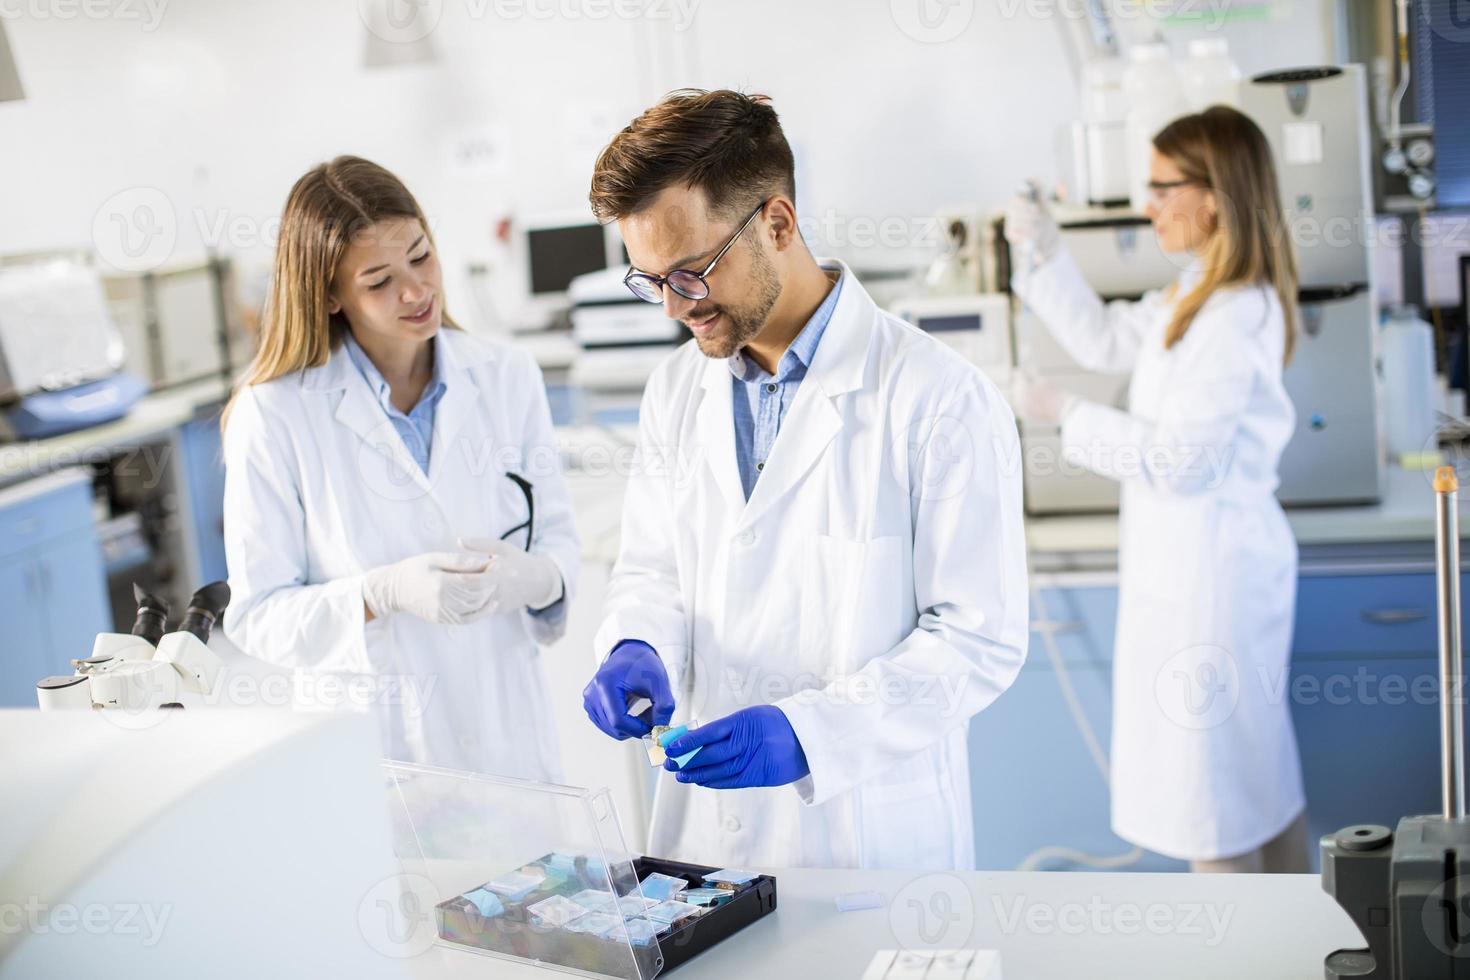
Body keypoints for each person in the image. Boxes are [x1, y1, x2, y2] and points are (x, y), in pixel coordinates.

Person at [580, 90, 1029, 870]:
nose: (672, 310)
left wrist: (812, 734)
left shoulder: (938, 398)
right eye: (649, 281)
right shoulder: (675, 392)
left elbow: (977, 641)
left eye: (689, 274)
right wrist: (634, 640)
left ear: (778, 224)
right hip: (705, 837)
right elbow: (653, 569)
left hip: (868, 847)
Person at [1006, 106, 1307, 873]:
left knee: (1216, 806)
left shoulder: (1235, 313)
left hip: (1215, 584)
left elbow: (1182, 462)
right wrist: (1041, 251)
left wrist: (1063, 410)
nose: (1148, 205)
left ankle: (1251, 959)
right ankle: (1304, 951)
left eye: (1162, 187)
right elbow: (1103, 338)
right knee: (1252, 786)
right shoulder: (1196, 296)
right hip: (1201, 574)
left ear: (1214, 196)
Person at [221, 156, 579, 780]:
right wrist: (376, 594)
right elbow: (257, 617)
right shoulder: (274, 415)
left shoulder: (506, 376)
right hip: (381, 759)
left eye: (421, 256)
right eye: (379, 280)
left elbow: (558, 538)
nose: (415, 291)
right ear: (330, 294)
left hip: (507, 739)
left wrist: (540, 581)